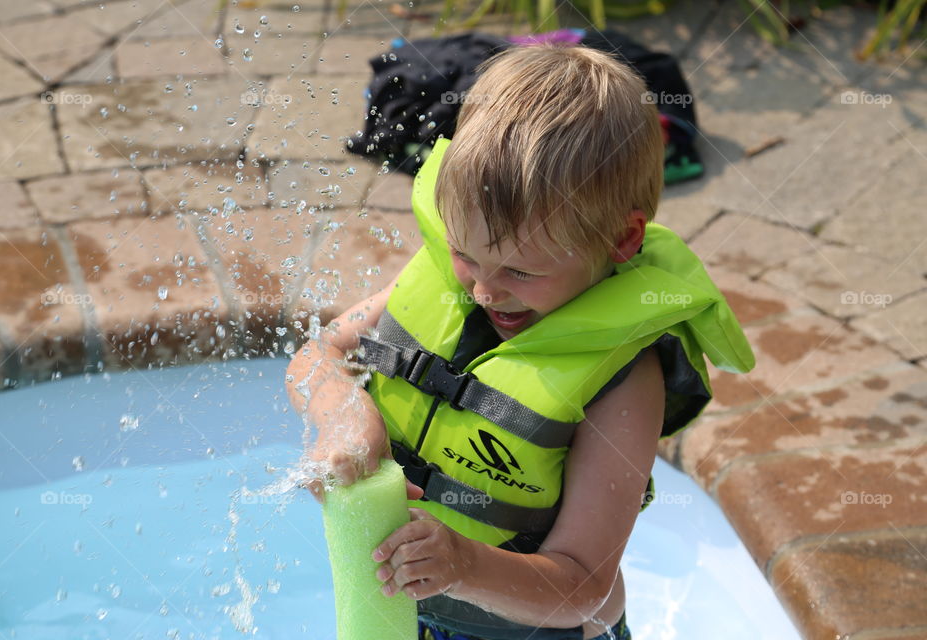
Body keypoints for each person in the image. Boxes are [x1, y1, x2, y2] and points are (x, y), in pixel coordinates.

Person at [286, 44, 754, 640]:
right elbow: (316, 355)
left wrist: (462, 564)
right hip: (408, 617)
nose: (484, 291)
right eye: (464, 254)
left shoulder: (625, 381)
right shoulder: (456, 272)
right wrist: (345, 419)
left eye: (521, 273)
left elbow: (585, 587)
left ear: (621, 240)